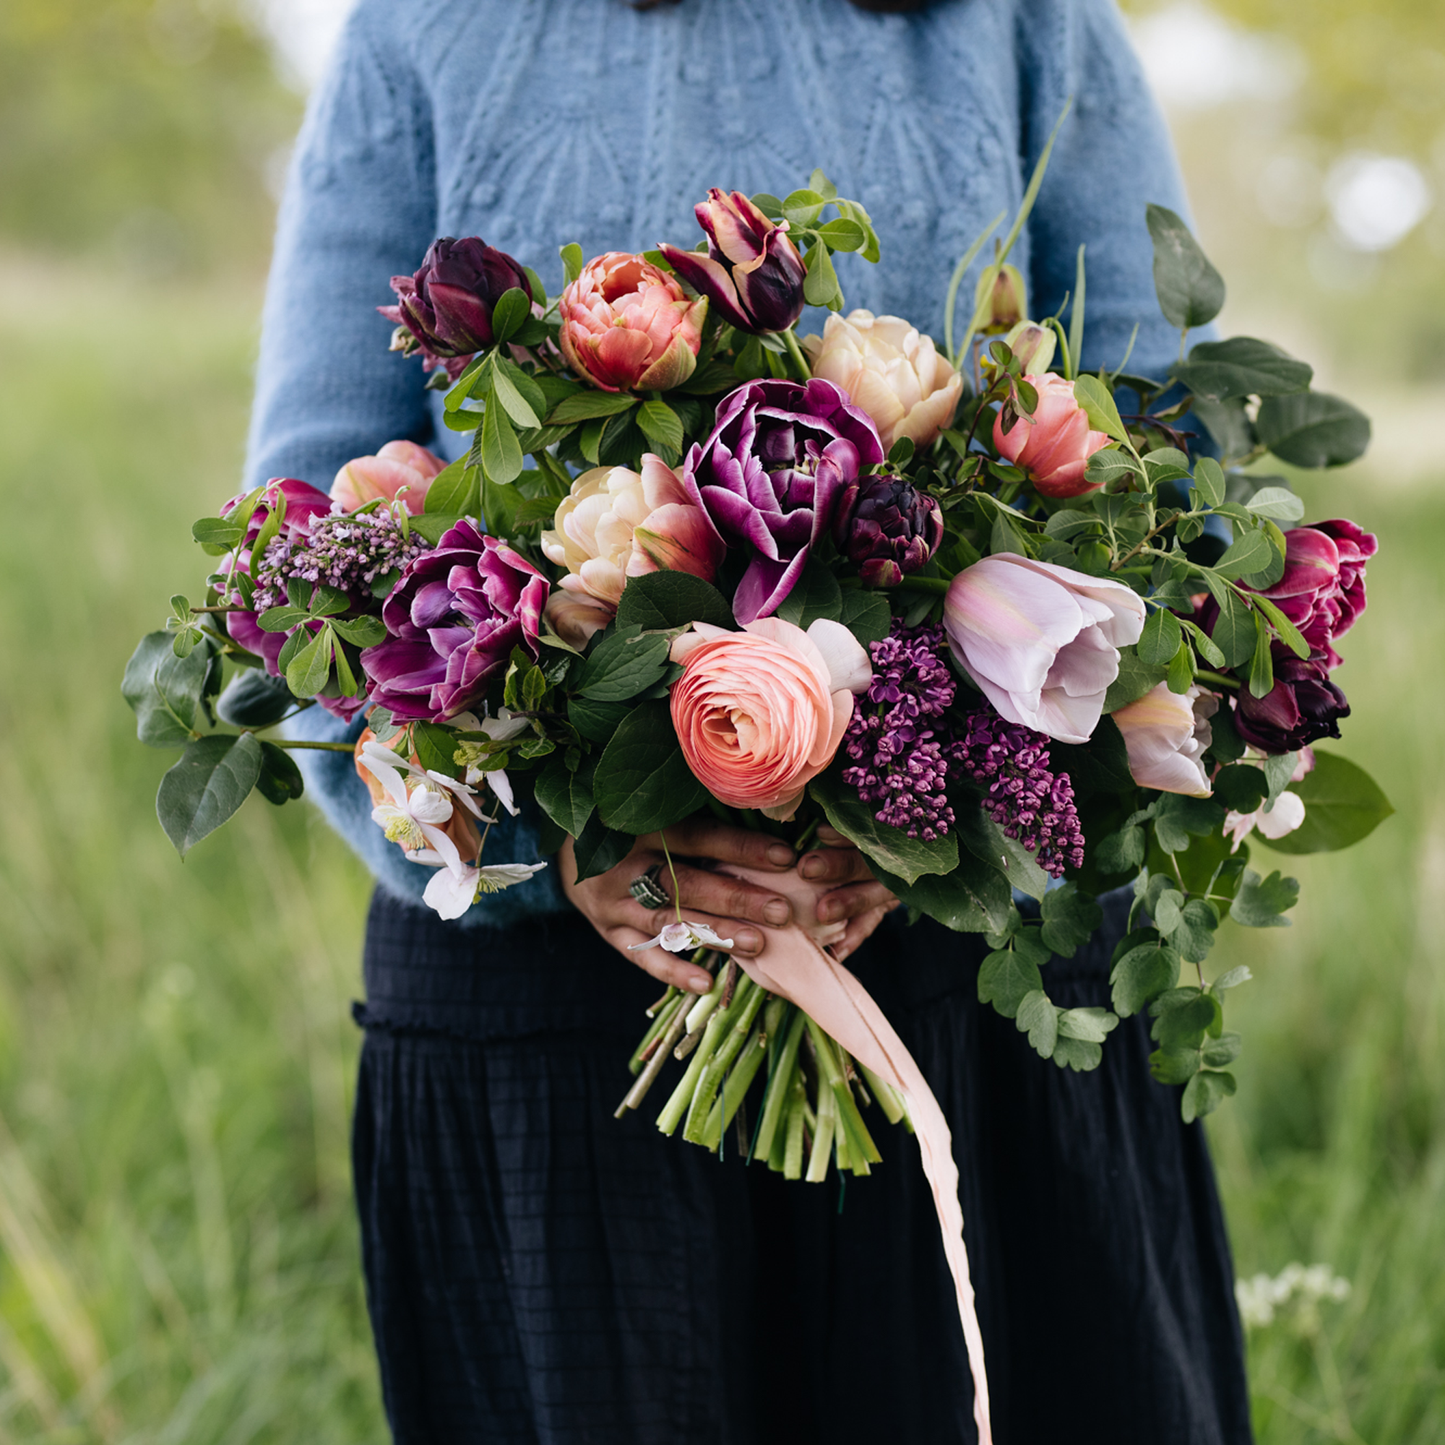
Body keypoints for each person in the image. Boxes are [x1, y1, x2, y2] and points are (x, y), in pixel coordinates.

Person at [244, 0, 1253, 1440]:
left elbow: (1168, 451)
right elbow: (310, 525)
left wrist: (933, 803)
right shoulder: (423, 28)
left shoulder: (1019, 22)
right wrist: (547, 837)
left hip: (972, 973)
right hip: (557, 1008)